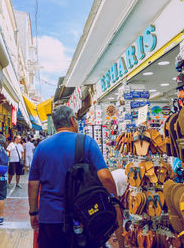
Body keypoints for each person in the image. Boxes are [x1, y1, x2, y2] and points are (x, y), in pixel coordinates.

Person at [28, 105, 124, 248]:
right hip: (83, 217)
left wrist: (33, 212)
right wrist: (114, 202)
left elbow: (32, 184)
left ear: (55, 125)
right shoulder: (87, 142)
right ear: (73, 121)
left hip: (49, 218)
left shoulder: (41, 147)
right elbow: (106, 178)